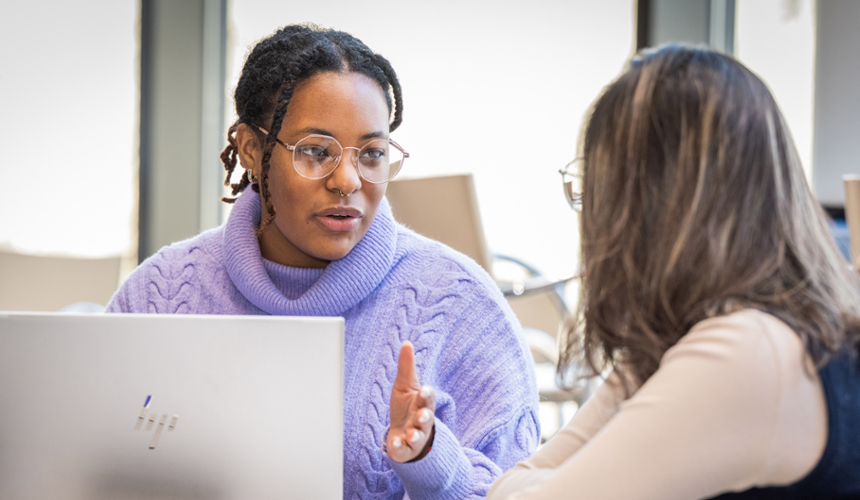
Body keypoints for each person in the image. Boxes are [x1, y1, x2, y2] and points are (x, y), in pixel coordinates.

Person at [107, 24, 539, 499]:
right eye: (316, 151)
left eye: (372, 153)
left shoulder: (461, 306)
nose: (348, 180)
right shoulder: (159, 294)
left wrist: (433, 460)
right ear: (252, 149)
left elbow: (518, 491)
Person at [488, 45, 860, 500]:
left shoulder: (745, 351)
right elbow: (519, 482)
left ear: (639, 201)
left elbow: (520, 492)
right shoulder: (780, 330)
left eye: (594, 187)